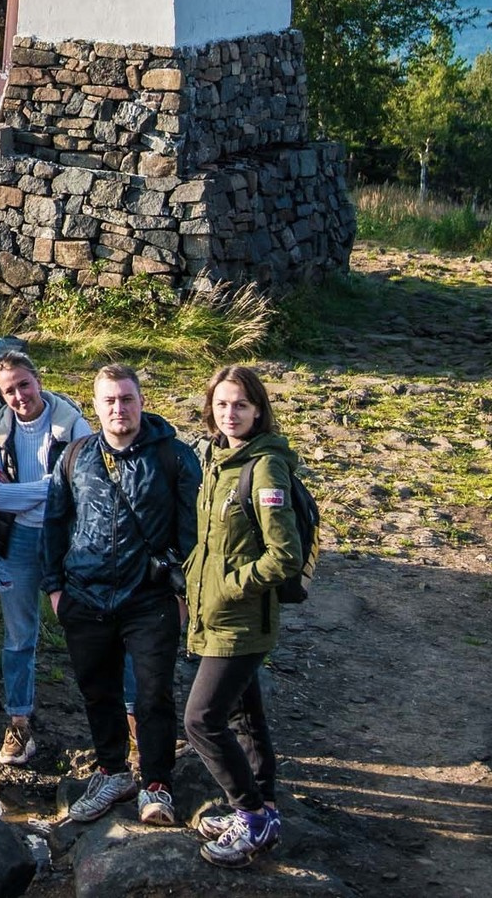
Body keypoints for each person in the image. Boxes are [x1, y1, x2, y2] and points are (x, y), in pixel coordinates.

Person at [44, 362, 200, 824]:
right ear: (95, 406)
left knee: (153, 696)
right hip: (85, 596)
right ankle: (112, 771)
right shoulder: (75, 456)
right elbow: (54, 522)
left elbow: (194, 531)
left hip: (150, 597)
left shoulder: (174, 456)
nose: (119, 408)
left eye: (126, 398)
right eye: (109, 400)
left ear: (141, 402)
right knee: (98, 691)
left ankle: (156, 784)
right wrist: (55, 589)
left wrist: (185, 592)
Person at [183, 365, 301, 869]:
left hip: (242, 619)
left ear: (259, 410)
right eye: (222, 404)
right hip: (212, 613)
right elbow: (211, 542)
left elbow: (285, 555)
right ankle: (266, 809)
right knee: (243, 716)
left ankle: (249, 815)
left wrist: (229, 588)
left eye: (241, 405)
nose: (230, 414)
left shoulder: (265, 468)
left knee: (201, 720)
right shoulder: (216, 458)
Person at [0, 349, 87, 767]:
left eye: (25, 384)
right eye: (10, 390)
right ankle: (19, 722)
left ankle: (123, 720)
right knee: (19, 636)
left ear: (38, 380)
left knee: (89, 630)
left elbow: (80, 486)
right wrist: (49, 486)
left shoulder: (74, 426)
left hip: (68, 541)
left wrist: (29, 492)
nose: (20, 395)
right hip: (18, 542)